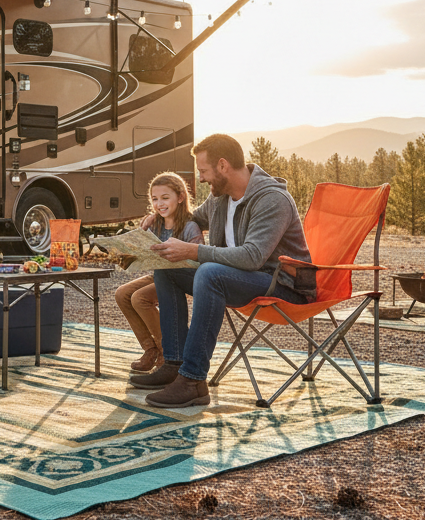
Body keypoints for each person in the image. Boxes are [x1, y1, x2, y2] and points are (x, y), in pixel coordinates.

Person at [130, 134, 315, 408]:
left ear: (223, 166)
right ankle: (175, 362)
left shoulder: (272, 199)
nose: (201, 179)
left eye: (203, 171)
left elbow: (253, 257)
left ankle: (193, 380)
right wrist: (158, 215)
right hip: (239, 280)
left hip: (281, 284)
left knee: (209, 272)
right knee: (167, 270)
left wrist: (194, 252)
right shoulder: (221, 199)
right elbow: (190, 216)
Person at [115, 172, 203, 372]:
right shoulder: (155, 224)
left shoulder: (190, 227)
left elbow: (198, 260)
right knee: (122, 294)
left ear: (180, 198)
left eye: (165, 198)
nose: (159, 204)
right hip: (157, 275)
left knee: (140, 298)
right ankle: (150, 349)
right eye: (154, 199)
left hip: (179, 277)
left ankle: (167, 351)